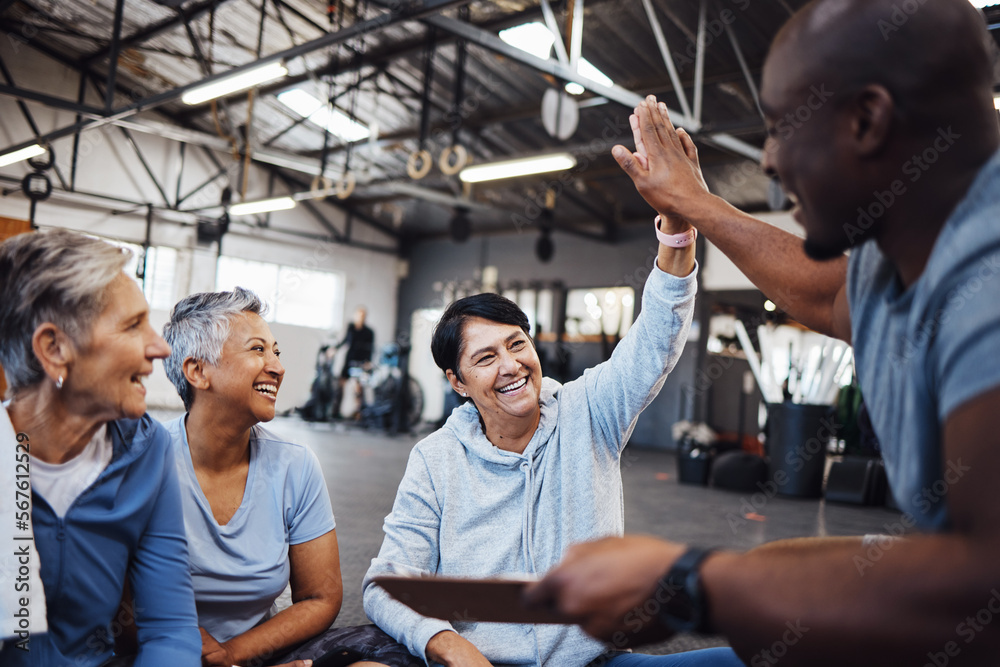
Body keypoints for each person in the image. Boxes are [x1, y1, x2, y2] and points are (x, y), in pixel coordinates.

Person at [527, 1, 1000, 665]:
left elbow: (984, 589)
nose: (769, 161)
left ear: (867, 120)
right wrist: (693, 203)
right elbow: (828, 291)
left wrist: (692, 582)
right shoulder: (893, 255)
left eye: (781, 127)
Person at [362, 212, 743, 667]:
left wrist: (677, 226)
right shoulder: (435, 458)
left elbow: (657, 335)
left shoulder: (590, 410)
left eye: (517, 344)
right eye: (486, 357)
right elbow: (386, 580)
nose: (511, 365)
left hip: (594, 661)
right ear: (457, 382)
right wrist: (444, 643)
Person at [160, 288, 420, 667]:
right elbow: (118, 603)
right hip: (165, 649)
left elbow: (321, 598)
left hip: (253, 653)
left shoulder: (294, 466)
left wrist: (231, 657)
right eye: (257, 350)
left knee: (383, 650)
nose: (277, 367)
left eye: (276, 352)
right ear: (198, 371)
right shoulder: (146, 461)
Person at [0, 229, 200, 665]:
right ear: (54, 349)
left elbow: (170, 627)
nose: (160, 347)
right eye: (133, 325)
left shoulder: (148, 451)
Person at [335, 307, 374, 419]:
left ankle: (359, 414)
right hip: (349, 361)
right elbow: (344, 341)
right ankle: (336, 411)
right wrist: (334, 349)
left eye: (363, 315)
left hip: (360, 363)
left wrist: (368, 362)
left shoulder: (369, 332)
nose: (360, 317)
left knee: (358, 388)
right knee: (340, 385)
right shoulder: (351, 328)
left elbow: (370, 348)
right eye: (359, 315)